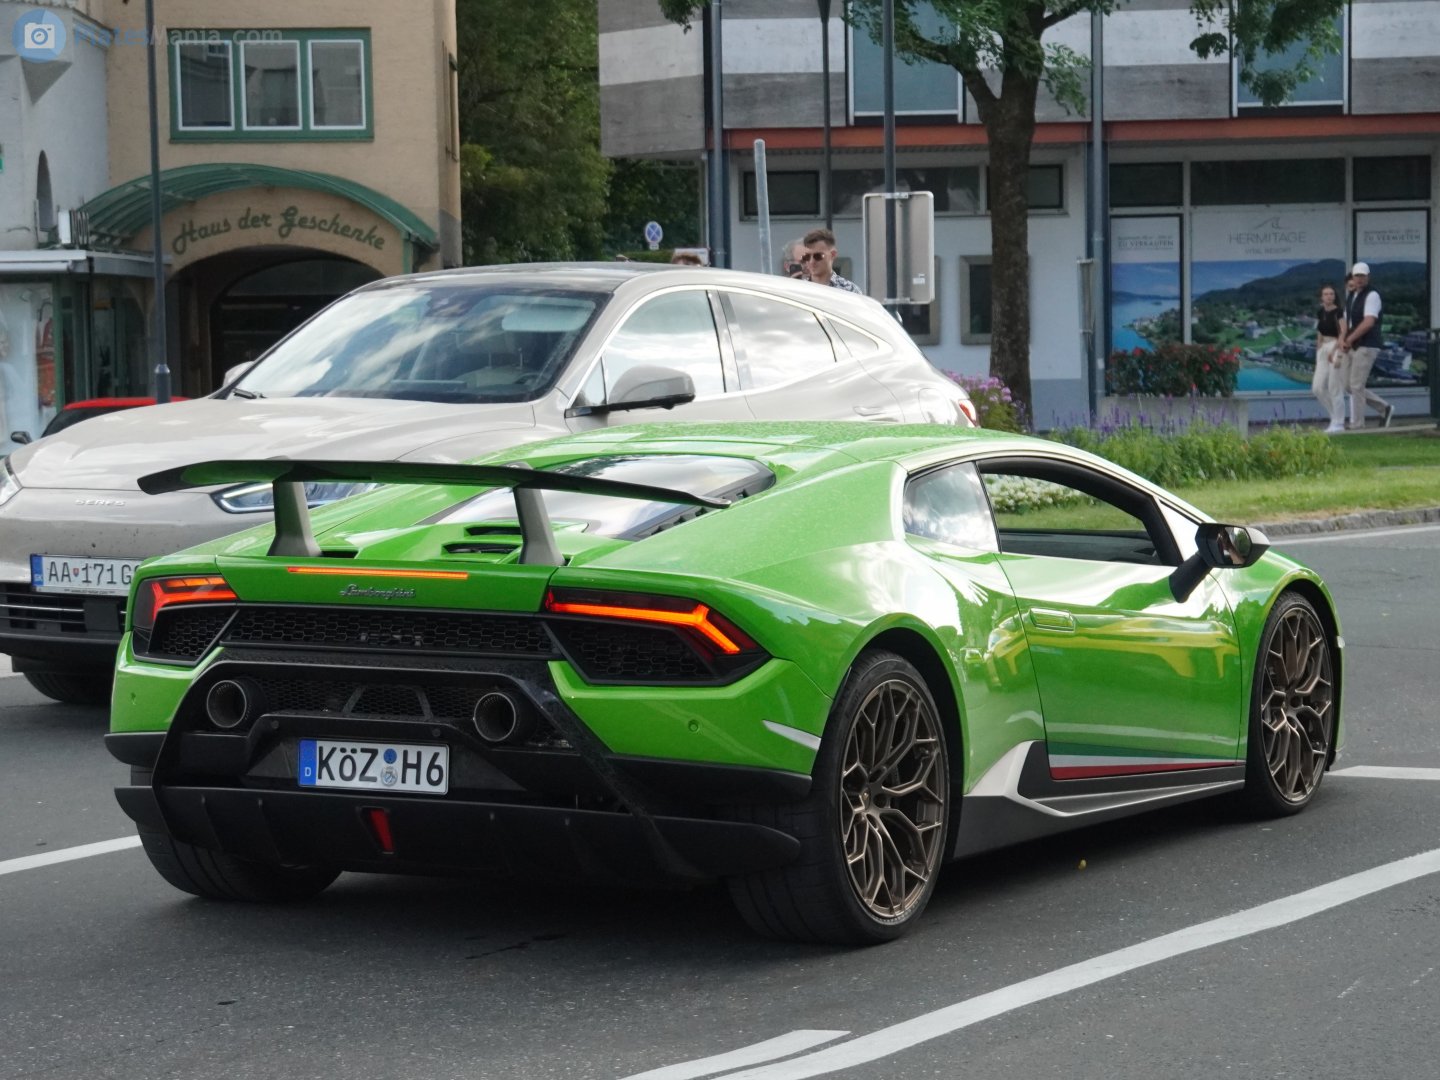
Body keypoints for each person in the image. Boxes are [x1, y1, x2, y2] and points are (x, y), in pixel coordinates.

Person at [1341, 262, 1395, 428]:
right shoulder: (1352, 296)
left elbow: (1369, 322)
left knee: (1356, 385)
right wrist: (1345, 339)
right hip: (1354, 344)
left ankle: (1357, 423)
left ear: (1368, 277)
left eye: (1362, 276)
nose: (1359, 279)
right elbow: (1347, 321)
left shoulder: (1372, 296)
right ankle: (1384, 408)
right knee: (1348, 385)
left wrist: (1349, 339)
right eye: (1357, 276)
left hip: (1367, 344)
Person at [1311, 284, 1347, 434]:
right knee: (1317, 388)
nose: (1329, 296)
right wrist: (1319, 345)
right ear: (1322, 297)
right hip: (1323, 348)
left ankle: (1339, 423)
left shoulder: (1338, 312)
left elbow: (1343, 332)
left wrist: (1335, 351)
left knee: (1334, 387)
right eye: (1326, 294)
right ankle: (1334, 417)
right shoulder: (1321, 312)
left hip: (1335, 346)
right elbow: (1320, 329)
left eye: (1331, 294)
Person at [799, 228, 861, 293]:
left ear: (833, 255)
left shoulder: (849, 290)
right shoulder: (799, 290)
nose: (811, 261)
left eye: (818, 256)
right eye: (807, 257)